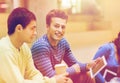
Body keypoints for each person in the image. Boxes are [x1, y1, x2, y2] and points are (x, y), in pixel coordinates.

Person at [0, 7, 69, 83]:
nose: (35, 33)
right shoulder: (4, 49)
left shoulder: (24, 47)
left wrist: (50, 81)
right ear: (19, 28)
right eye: (32, 29)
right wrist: (52, 81)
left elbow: (32, 73)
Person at [31, 9, 101, 83]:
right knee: (68, 81)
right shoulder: (40, 46)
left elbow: (74, 64)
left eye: (63, 27)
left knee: (87, 75)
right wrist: (73, 69)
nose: (60, 30)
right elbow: (50, 76)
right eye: (56, 26)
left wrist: (87, 65)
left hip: (56, 78)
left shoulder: (62, 42)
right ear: (47, 26)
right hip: (43, 81)